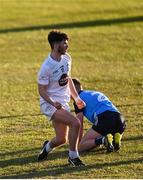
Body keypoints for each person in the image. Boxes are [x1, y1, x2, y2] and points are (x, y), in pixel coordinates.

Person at [37, 30, 86, 167]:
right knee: (75, 123)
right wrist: (53, 102)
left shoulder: (67, 59)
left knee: (61, 139)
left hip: (62, 103)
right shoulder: (46, 67)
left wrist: (76, 97)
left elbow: (68, 78)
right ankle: (73, 156)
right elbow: (41, 91)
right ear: (55, 44)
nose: (67, 46)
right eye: (64, 43)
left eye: (67, 43)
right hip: (50, 104)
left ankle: (47, 147)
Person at [72, 78, 126, 153]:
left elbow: (79, 123)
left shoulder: (78, 99)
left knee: (81, 147)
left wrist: (79, 144)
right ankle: (115, 139)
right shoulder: (94, 92)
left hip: (106, 118)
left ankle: (103, 140)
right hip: (120, 119)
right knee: (96, 141)